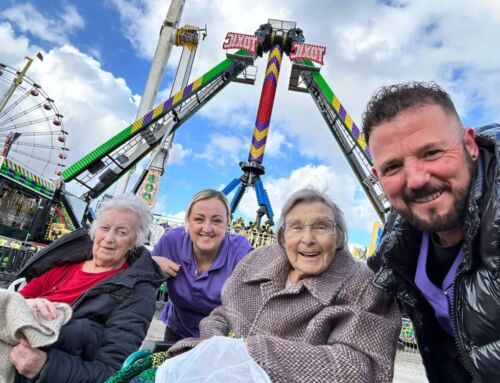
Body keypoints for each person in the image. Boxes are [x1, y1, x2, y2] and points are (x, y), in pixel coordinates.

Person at [168, 188, 401, 382]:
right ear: (282, 237)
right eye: (296, 227)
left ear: (339, 237)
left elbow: (361, 369)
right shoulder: (257, 261)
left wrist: (255, 351)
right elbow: (223, 313)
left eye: (321, 226)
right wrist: (213, 344)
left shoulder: (364, 285)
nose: (307, 239)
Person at [362, 81, 500, 383]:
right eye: (392, 167)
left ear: (470, 145)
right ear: (377, 176)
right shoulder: (398, 246)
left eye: (432, 153)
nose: (416, 179)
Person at [9, 194, 165, 383]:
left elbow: (112, 371)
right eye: (105, 228)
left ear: (134, 242)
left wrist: (45, 367)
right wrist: (27, 306)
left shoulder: (137, 293)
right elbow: (14, 302)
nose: (109, 238)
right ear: (94, 231)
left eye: (122, 232)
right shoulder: (62, 265)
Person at [152, 189, 252, 343]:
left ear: (227, 222)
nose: (207, 228)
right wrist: (151, 263)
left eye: (216, 221)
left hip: (219, 337)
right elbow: (139, 274)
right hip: (178, 327)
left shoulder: (241, 251)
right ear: (188, 221)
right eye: (199, 219)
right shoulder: (171, 241)